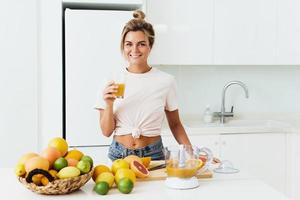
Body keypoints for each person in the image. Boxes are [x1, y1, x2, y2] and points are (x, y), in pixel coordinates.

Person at [95, 10, 191, 161]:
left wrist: (193, 154)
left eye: (141, 44)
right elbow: (106, 132)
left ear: (150, 46)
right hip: (119, 155)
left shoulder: (166, 81)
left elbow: (176, 125)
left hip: (153, 154)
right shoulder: (112, 81)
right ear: (123, 47)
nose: (134, 50)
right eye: (129, 44)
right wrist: (108, 105)